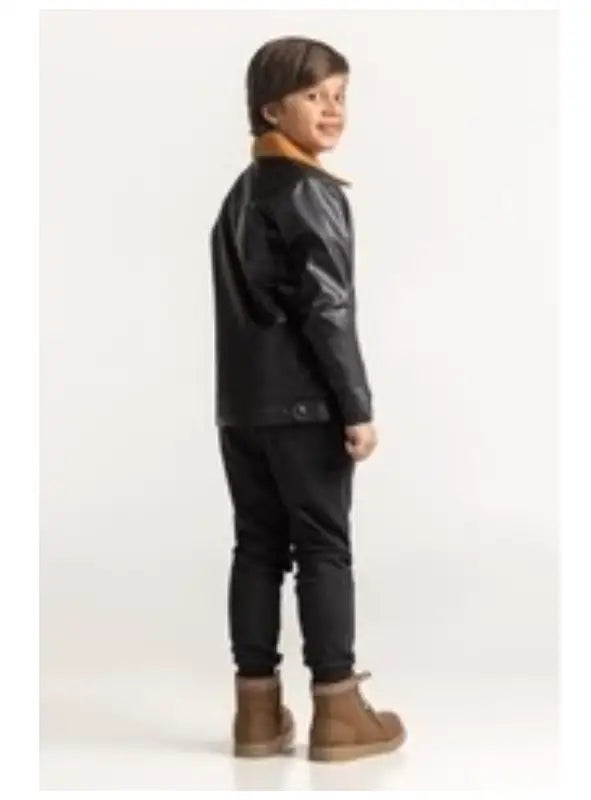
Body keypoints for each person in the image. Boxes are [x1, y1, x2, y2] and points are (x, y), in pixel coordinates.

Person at [209, 35, 407, 762]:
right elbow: (327, 308)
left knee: (257, 548)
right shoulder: (310, 191)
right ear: (271, 109)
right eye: (314, 95)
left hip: (242, 410)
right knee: (324, 548)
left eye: (340, 95)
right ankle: (338, 709)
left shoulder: (238, 195)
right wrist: (356, 405)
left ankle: (256, 714)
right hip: (305, 407)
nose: (332, 109)